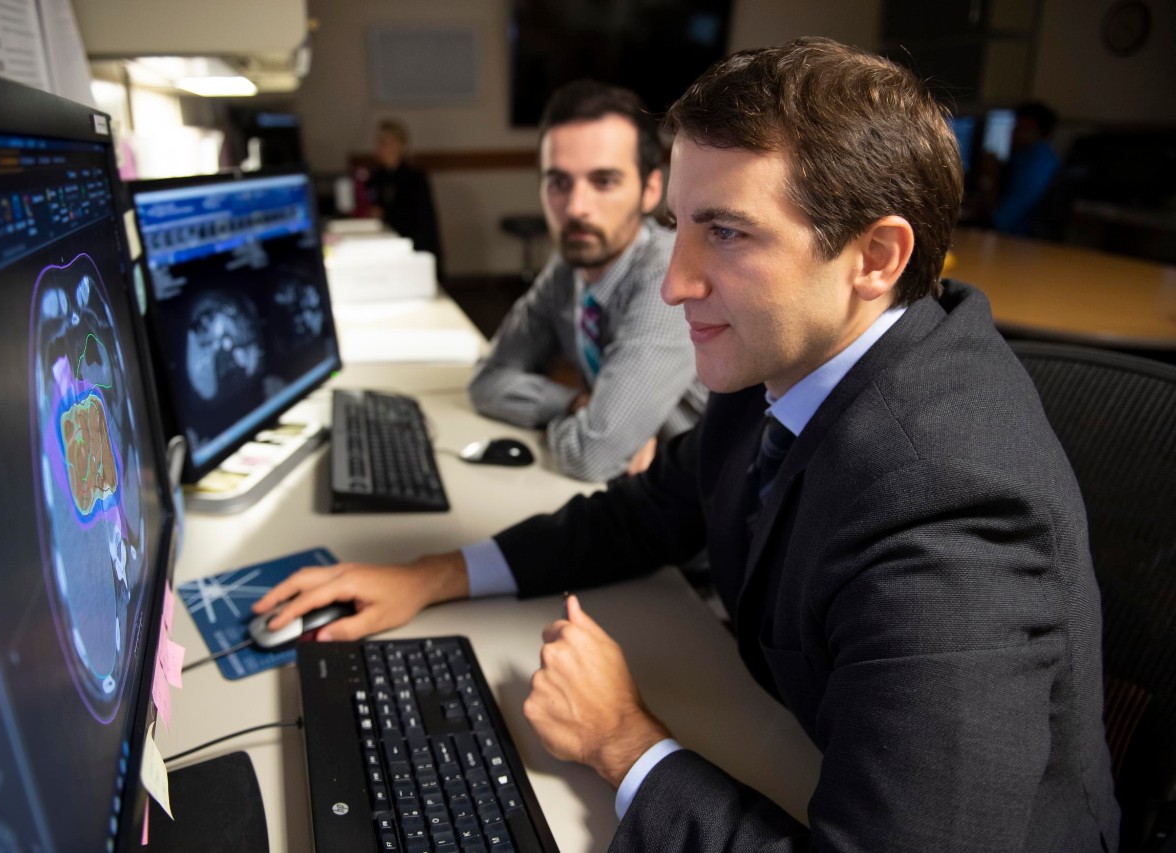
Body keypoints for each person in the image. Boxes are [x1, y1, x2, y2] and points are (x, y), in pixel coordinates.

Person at [255, 38, 1120, 851]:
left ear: (876, 256)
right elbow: (648, 510)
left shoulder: (949, 506)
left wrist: (625, 742)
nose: (674, 282)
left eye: (729, 232)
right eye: (680, 225)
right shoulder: (786, 357)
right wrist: (435, 573)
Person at [467, 80, 707, 482]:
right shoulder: (568, 267)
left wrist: (584, 427)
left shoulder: (667, 276)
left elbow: (590, 456)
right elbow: (487, 382)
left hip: (706, 505)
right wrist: (576, 403)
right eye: (559, 182)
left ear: (650, 191)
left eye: (604, 181)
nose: (576, 208)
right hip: (638, 491)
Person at [365, 118, 443, 265]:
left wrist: (385, 213)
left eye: (389, 142)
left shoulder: (415, 178)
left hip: (413, 244)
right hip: (384, 243)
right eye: (381, 142)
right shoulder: (375, 178)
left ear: (401, 146)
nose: (383, 147)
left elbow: (421, 220)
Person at [985, 101, 1061, 236]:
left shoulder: (1037, 165)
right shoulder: (1023, 158)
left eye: (1024, 128)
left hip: (1019, 243)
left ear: (1043, 134)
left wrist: (991, 175)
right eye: (1015, 127)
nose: (1014, 133)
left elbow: (1001, 220)